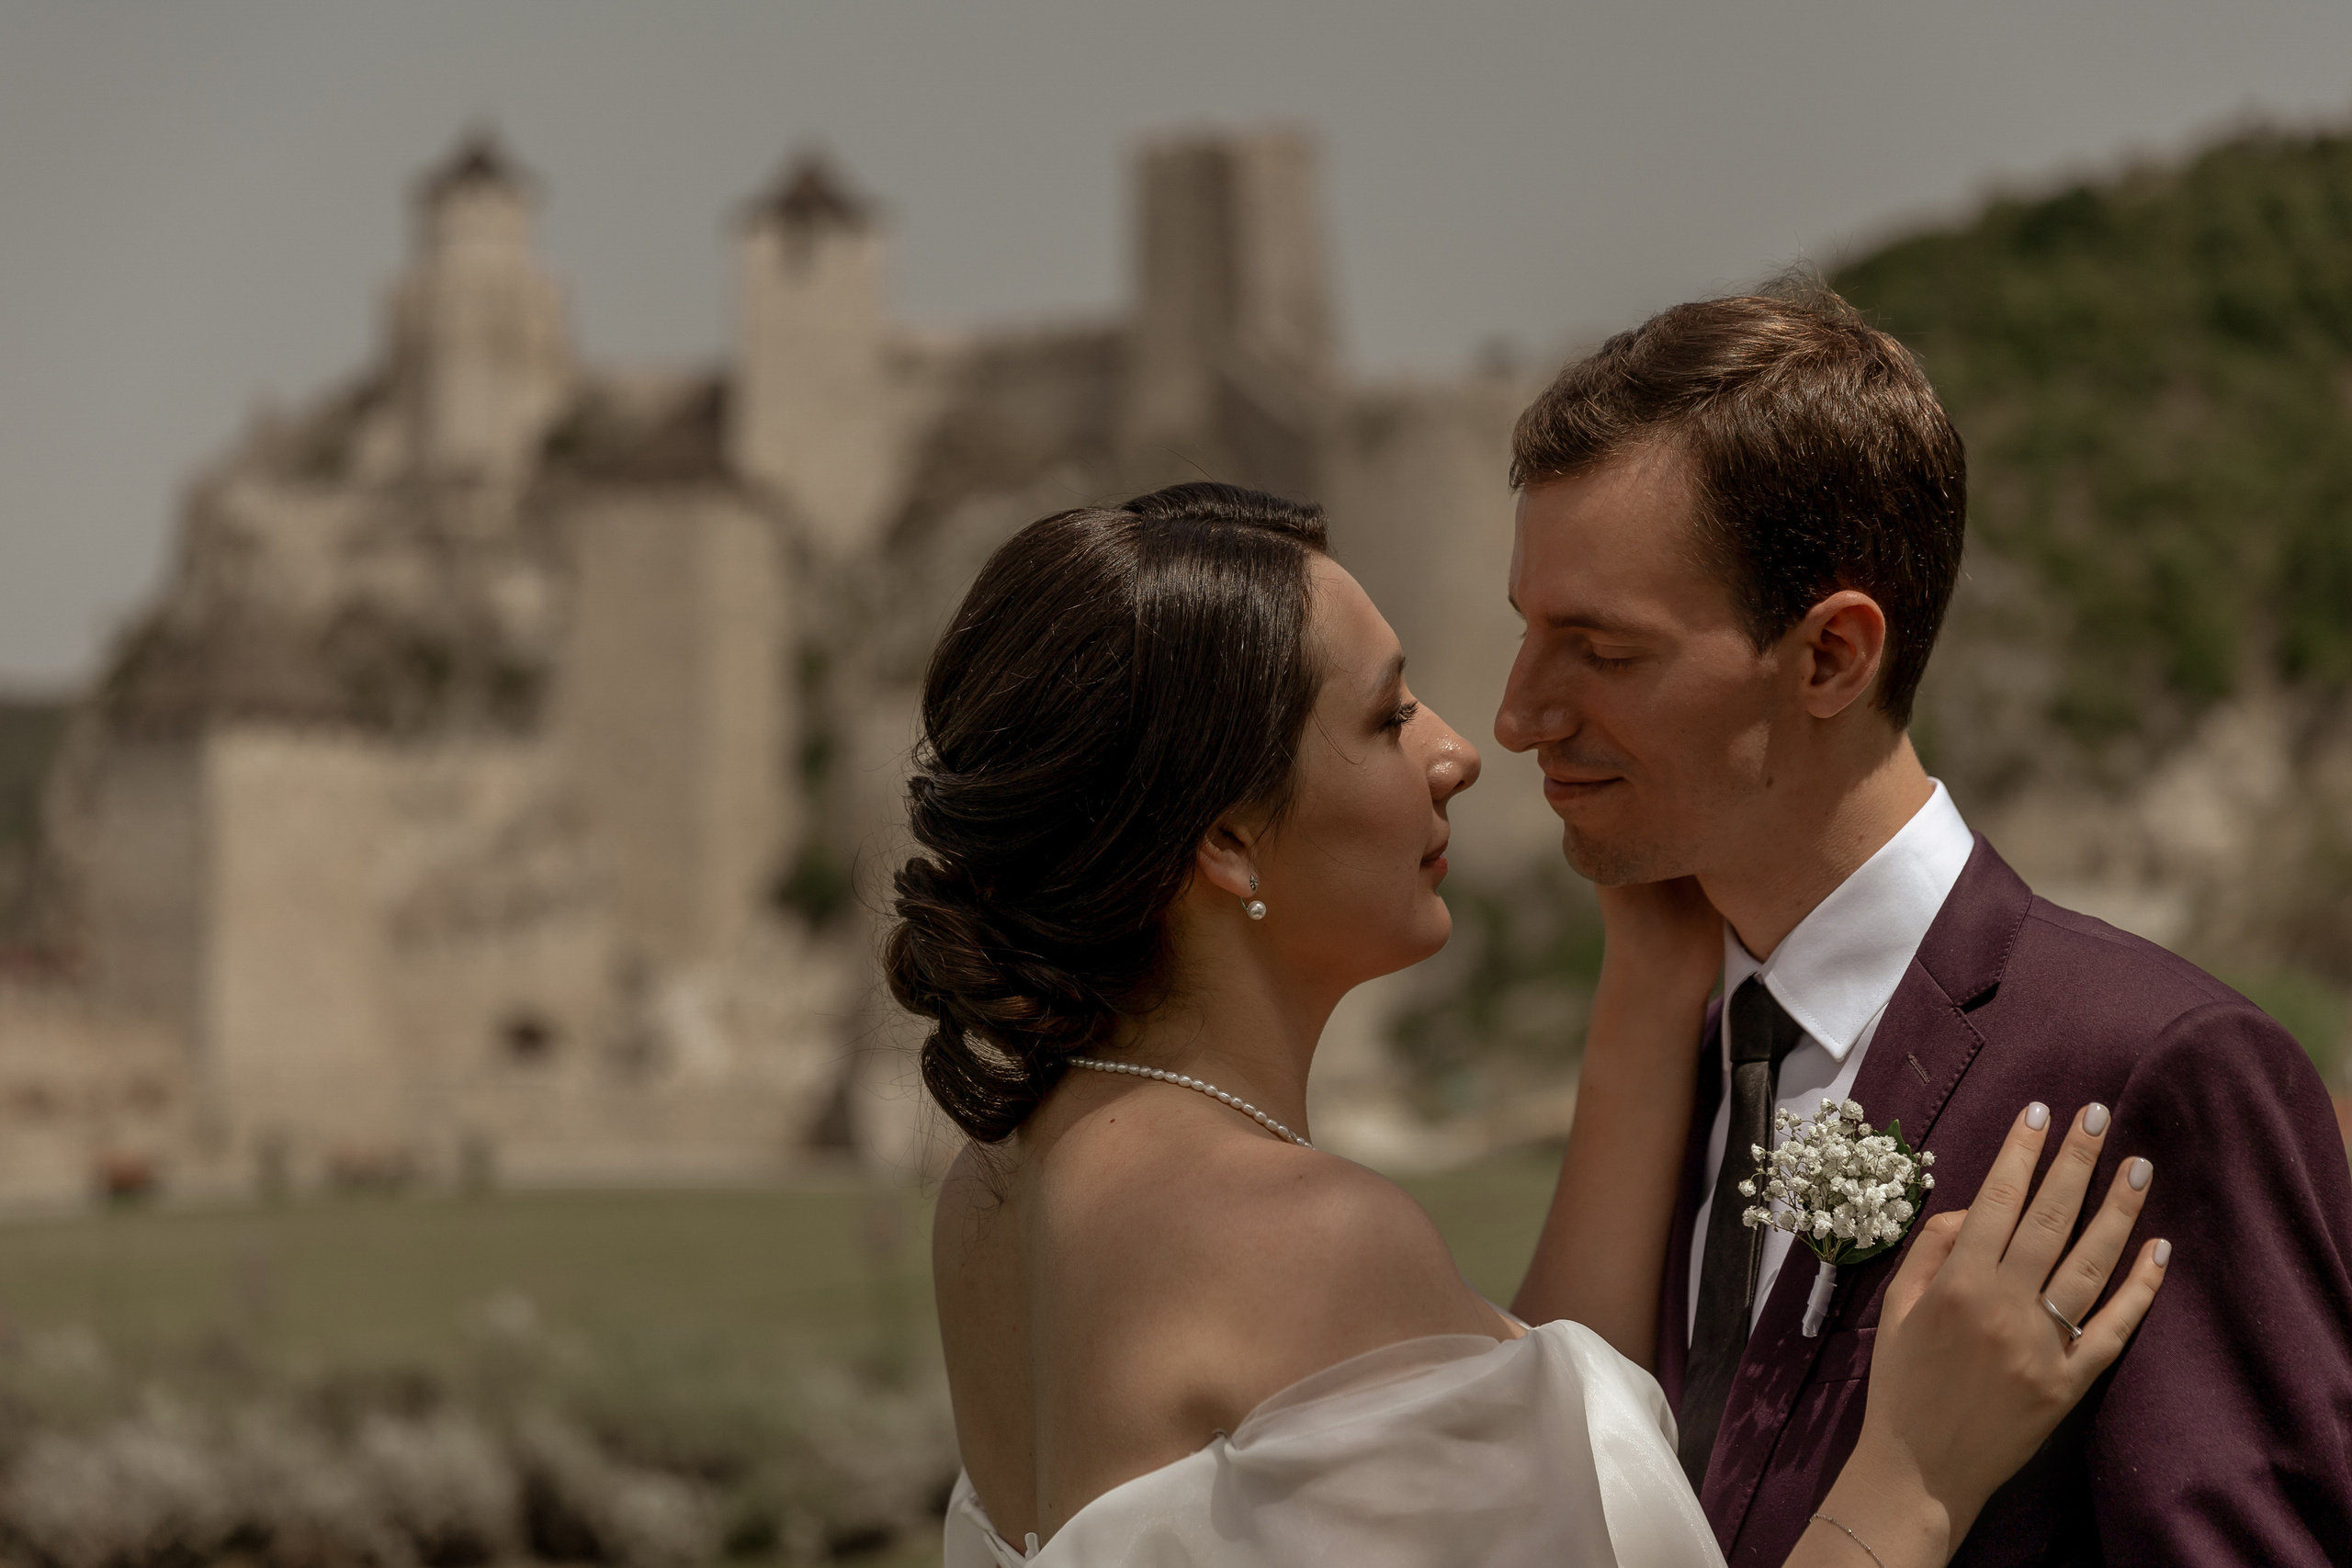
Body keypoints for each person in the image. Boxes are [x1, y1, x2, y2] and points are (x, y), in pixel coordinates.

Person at [889, 481, 2167, 1567]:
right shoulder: (1306, 1240)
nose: (1459, 749)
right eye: (1387, 719)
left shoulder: (1001, 1195)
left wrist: (1643, 1013)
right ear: (1227, 841)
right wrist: (1914, 1478)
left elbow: (1500, 1499)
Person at [1498, 286, 2352, 1565]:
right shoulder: (1661, 1061)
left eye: (1599, 651)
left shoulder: (2152, 1074)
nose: (1519, 715)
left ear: (1834, 657)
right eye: (1527, 634)